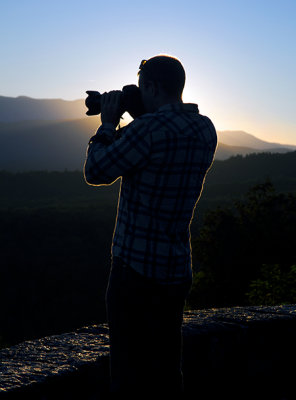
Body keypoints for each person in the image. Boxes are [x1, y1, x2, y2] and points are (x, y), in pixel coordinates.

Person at [84, 55, 217, 396]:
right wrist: (142, 111)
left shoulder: (146, 131)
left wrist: (107, 124)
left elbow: (96, 171)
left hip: (135, 272)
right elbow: (163, 139)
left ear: (153, 87)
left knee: (128, 374)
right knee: (166, 369)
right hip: (175, 270)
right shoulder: (206, 129)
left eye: (144, 88)